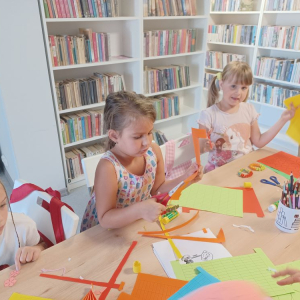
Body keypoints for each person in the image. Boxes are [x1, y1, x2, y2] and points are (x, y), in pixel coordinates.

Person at [81, 91, 203, 230]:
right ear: (114, 136)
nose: (147, 142)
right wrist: (139, 210)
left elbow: (158, 188)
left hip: (136, 223)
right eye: (138, 136)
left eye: (150, 132)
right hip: (105, 232)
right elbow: (105, 219)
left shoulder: (153, 152)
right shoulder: (108, 168)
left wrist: (185, 178)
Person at [198, 61, 298, 173]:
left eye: (244, 88)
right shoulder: (207, 115)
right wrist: (206, 144)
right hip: (218, 171)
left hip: (246, 167)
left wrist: (283, 119)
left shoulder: (249, 109)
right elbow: (201, 149)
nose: (238, 93)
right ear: (221, 84)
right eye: (233, 86)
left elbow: (259, 141)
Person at [0, 181, 46, 271]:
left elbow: (43, 245)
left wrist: (36, 249)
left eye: (2, 205)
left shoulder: (24, 226)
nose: (0, 218)